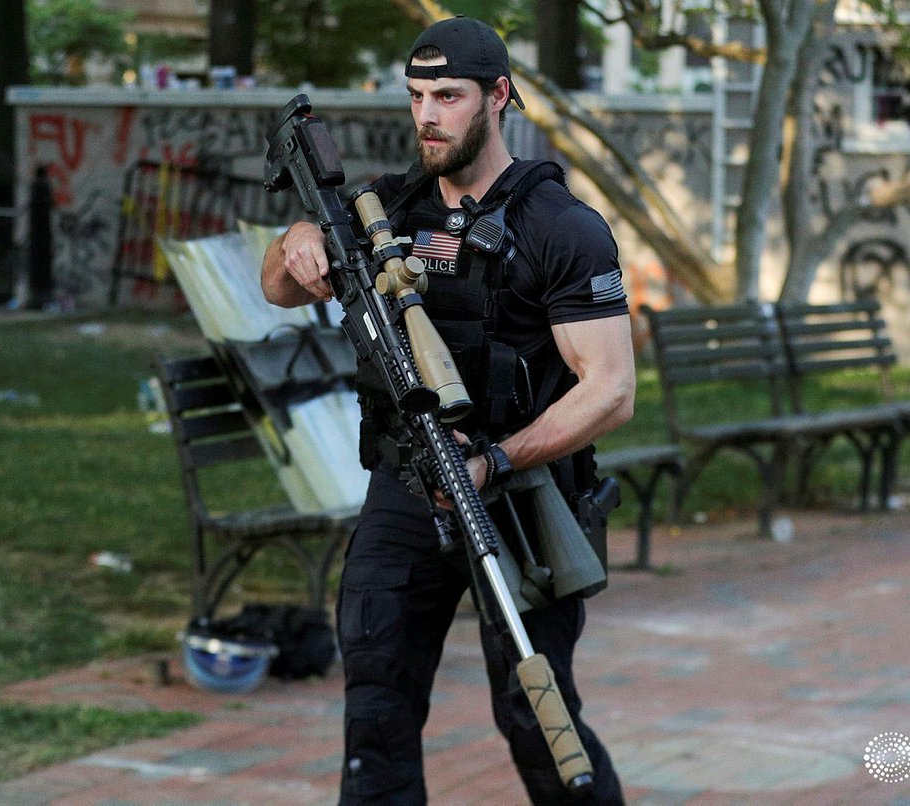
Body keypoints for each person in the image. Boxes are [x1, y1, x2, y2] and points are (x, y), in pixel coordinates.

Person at [262, 16, 634, 804]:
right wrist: (296, 235)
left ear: (498, 96)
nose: (428, 114)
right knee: (376, 714)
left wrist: (494, 460)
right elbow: (278, 286)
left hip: (524, 498)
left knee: (536, 716)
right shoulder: (387, 211)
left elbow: (611, 390)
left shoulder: (560, 228)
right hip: (407, 488)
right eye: (417, 95)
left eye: (449, 96)